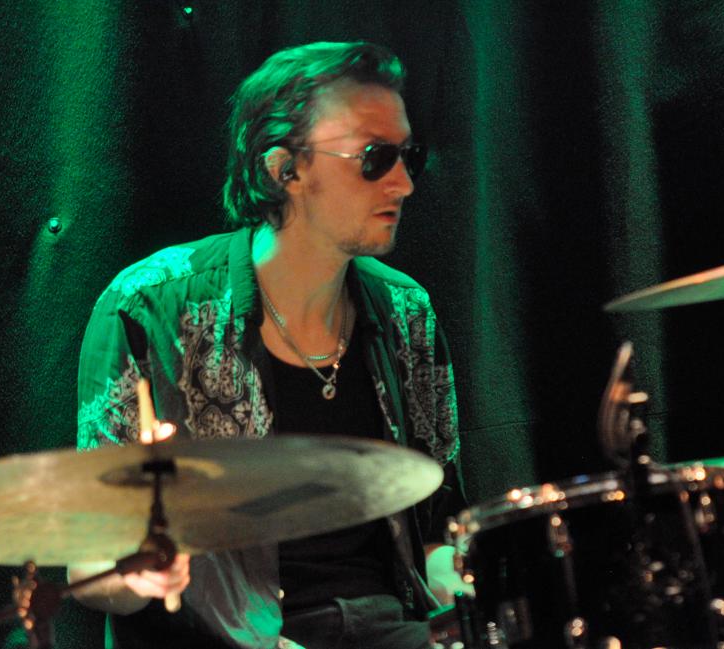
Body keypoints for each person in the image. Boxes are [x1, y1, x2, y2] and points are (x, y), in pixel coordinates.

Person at [68, 41, 469, 649]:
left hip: (389, 627)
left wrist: (461, 585)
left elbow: (435, 529)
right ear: (284, 169)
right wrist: (137, 573)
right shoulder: (149, 306)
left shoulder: (407, 311)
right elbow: (91, 569)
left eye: (408, 155)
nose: (405, 183)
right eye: (375, 157)